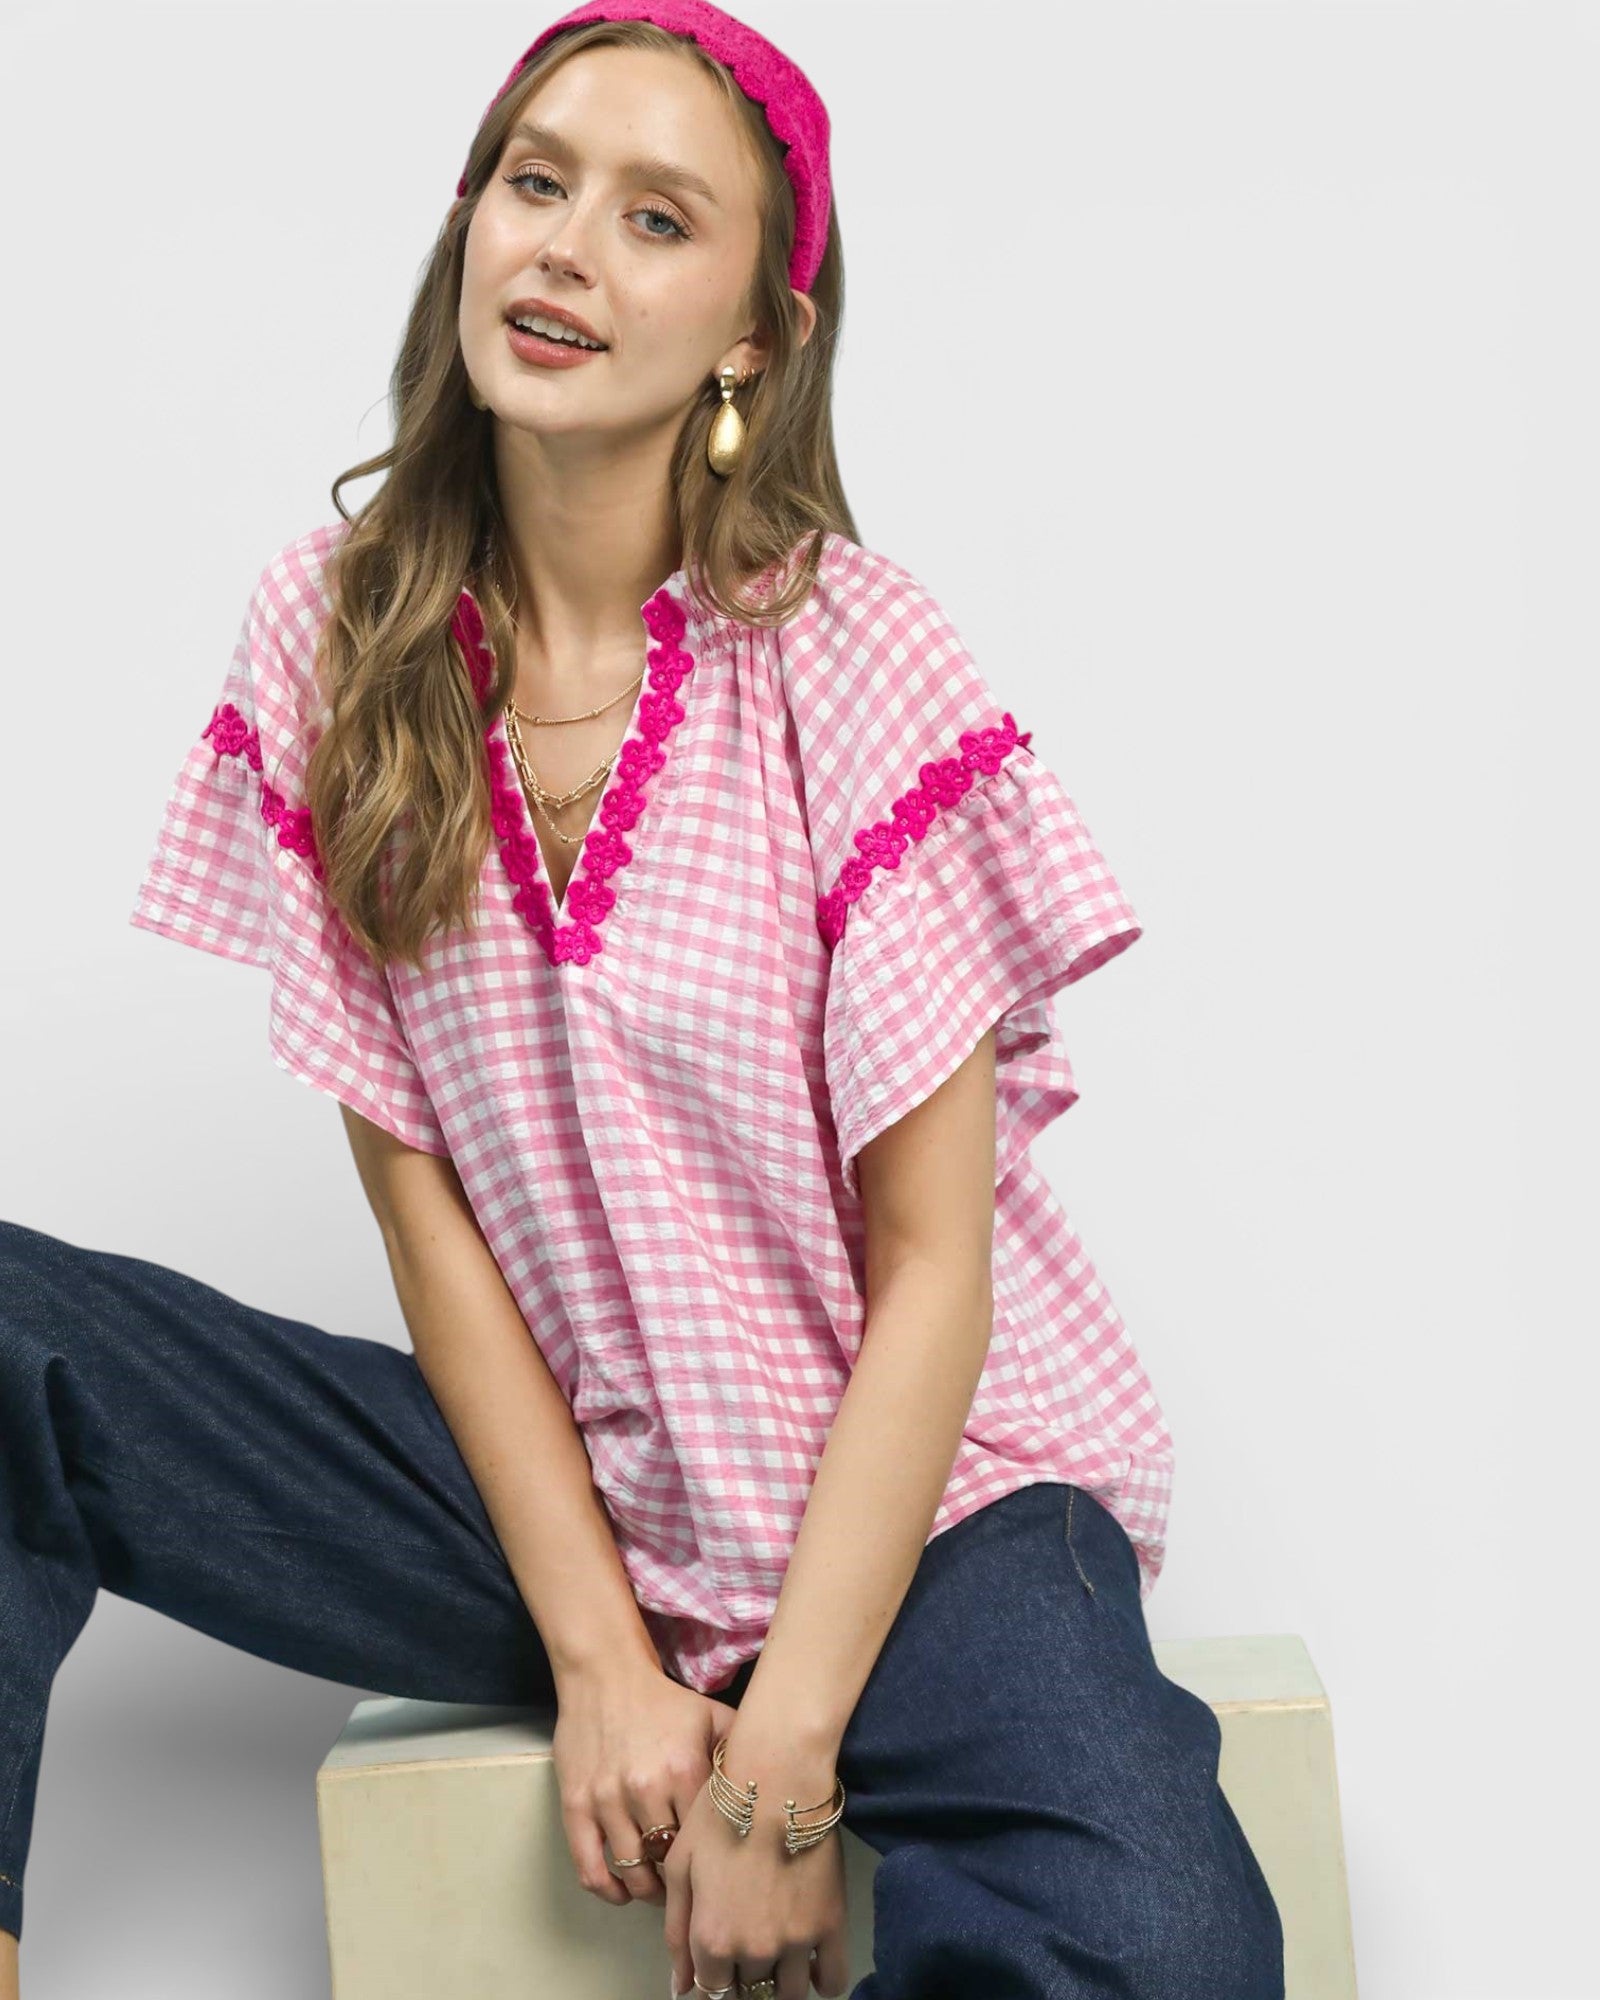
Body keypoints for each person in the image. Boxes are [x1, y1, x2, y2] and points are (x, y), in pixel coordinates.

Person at [0, 4, 1286, 1996]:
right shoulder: (334, 638)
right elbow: (418, 1196)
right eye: (535, 183)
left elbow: (933, 1267)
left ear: (755, 335)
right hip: (569, 1504)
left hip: (925, 1507)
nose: (566, 248)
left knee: (1157, 1930)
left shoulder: (849, 653)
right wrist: (602, 1658)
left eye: (656, 217)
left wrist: (777, 1766)